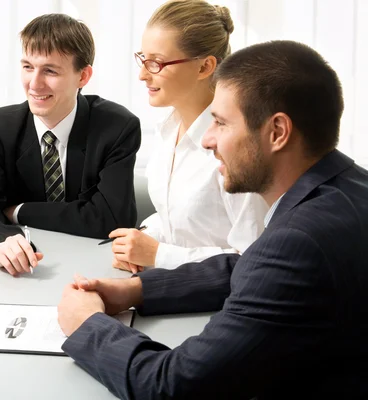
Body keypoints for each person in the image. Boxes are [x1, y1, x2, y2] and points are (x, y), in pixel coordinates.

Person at [58, 40, 368, 399]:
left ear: (278, 132)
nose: (207, 139)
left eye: (220, 122)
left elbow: (171, 385)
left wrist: (86, 324)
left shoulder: (299, 242)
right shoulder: (347, 186)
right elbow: (251, 269)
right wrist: (139, 291)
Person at [0, 14, 141, 276]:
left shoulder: (117, 127)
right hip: (32, 270)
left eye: (50, 70)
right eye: (27, 67)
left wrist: (18, 211)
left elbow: (111, 219)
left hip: (95, 265)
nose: (34, 84)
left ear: (83, 76)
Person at [108, 0, 267, 273]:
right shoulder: (168, 131)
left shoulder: (238, 148)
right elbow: (178, 219)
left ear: (204, 67)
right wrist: (144, 236)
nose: (142, 74)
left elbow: (253, 259)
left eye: (156, 62)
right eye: (142, 59)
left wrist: (159, 255)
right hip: (168, 287)